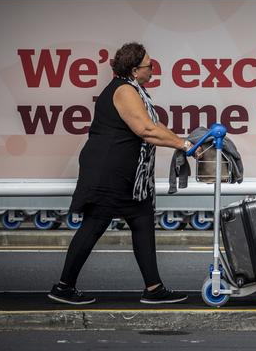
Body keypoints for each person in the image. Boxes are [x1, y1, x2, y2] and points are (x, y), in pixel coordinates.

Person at [48, 42, 193, 305]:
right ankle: (63, 287)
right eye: (150, 66)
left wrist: (183, 141)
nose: (153, 70)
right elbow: (145, 130)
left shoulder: (136, 90)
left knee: (142, 220)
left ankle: (153, 288)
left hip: (128, 177)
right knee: (93, 225)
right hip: (108, 172)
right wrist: (182, 145)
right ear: (135, 69)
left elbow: (155, 124)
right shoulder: (124, 90)